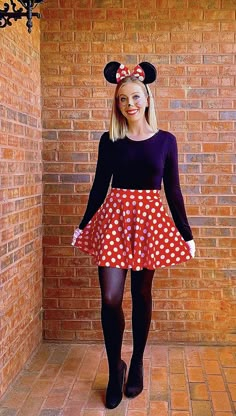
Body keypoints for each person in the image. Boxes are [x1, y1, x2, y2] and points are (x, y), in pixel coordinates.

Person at [72, 61, 195, 409]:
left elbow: (173, 190)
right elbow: (99, 187)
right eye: (123, 98)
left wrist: (186, 233)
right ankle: (116, 369)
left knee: (141, 293)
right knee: (111, 297)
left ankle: (137, 361)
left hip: (149, 222)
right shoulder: (109, 140)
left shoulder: (165, 141)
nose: (130, 103)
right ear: (117, 103)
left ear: (147, 99)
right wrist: (83, 225)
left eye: (136, 96)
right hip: (114, 220)